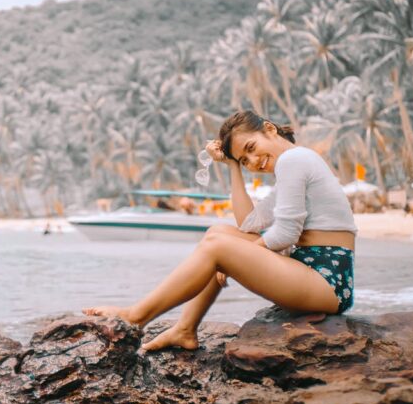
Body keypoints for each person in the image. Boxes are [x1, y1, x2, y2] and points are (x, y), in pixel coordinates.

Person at [83, 110, 357, 352]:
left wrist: (233, 257)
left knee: (219, 247)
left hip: (327, 281)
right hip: (313, 273)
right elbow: (249, 222)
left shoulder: (294, 160)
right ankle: (185, 329)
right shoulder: (293, 166)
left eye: (251, 147)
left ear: (269, 129)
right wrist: (232, 166)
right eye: (245, 159)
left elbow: (285, 234)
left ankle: (134, 317)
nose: (253, 161)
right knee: (218, 233)